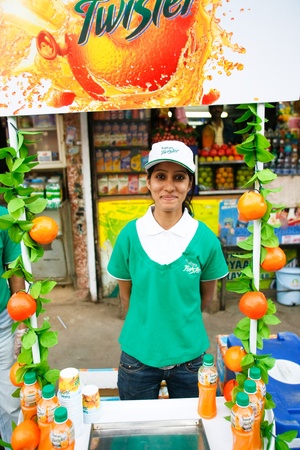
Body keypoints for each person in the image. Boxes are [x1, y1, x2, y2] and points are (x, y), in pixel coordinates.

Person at [107, 140, 228, 400]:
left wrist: (179, 324)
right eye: (160, 176)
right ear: (148, 182)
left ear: (189, 184)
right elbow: (125, 294)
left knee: (190, 432)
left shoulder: (205, 238)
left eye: (179, 177)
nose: (169, 186)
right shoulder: (130, 235)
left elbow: (205, 298)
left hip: (190, 359)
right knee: (138, 434)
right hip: (138, 356)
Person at [0, 204, 25, 444]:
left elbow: (15, 271)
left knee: (10, 397)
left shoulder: (3, 219)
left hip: (1, 323)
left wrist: (21, 323)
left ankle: (13, 444)